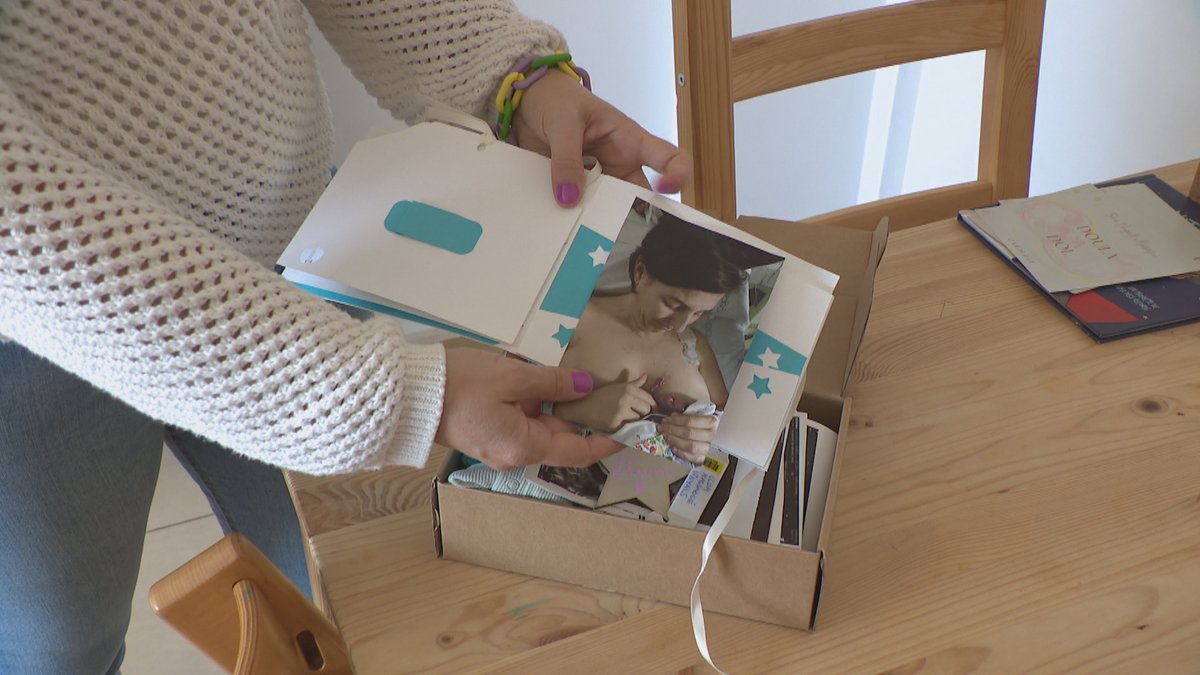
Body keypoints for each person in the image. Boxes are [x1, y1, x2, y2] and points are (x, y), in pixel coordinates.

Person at [0, 1, 691, 673]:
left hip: (292, 241)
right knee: (59, 644)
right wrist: (385, 395)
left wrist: (514, 75)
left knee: (335, 587)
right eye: (674, 302)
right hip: (32, 324)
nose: (677, 322)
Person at [553, 211, 746, 464]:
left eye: (699, 313)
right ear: (641, 271)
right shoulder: (574, 321)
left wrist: (711, 436)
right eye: (673, 304)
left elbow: (731, 436)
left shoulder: (695, 345)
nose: (681, 325)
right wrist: (575, 410)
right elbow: (515, 398)